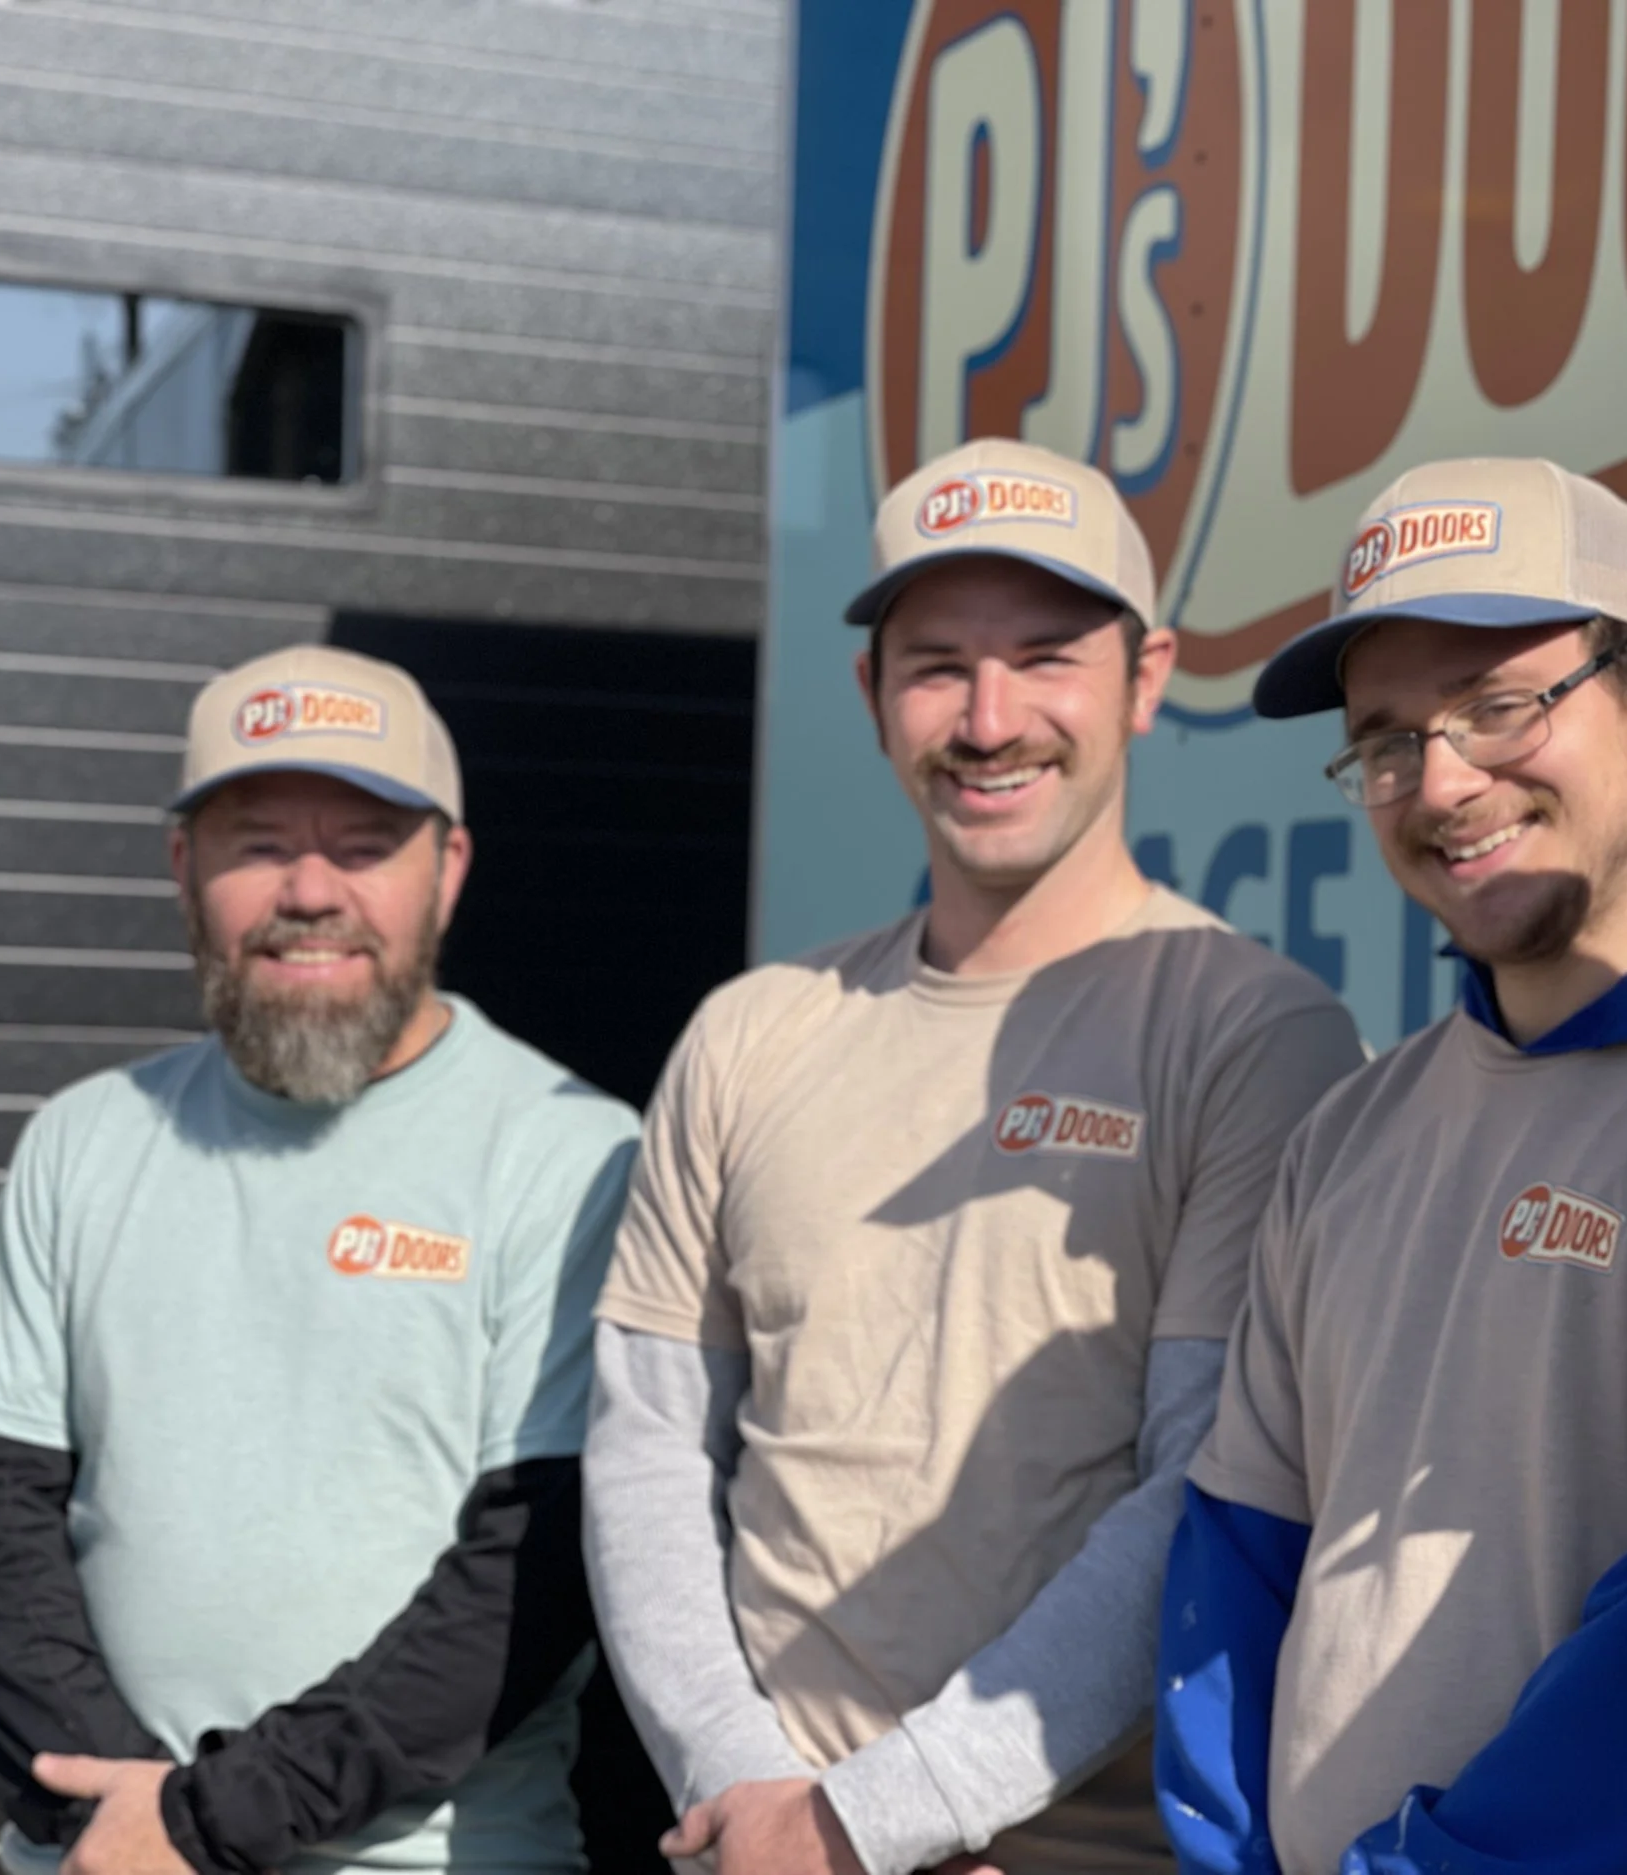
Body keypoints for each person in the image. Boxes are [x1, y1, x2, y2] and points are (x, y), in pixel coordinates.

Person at [583, 438, 1364, 1875]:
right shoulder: (751, 1030)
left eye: (1046, 657)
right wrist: (754, 1788)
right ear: (873, 693)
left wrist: (880, 1812)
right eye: (936, 662)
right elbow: (643, 1448)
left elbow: (1204, 1482)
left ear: (1146, 679)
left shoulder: (1255, 1034)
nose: (989, 717)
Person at [1154, 458, 1627, 1875]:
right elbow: (1242, 1552)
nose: (1441, 782)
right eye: (1387, 736)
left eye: (1502, 704)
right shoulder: (1354, 1129)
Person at [0, 645, 639, 1875]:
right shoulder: (83, 1140)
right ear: (183, 868)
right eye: (256, 842)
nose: (310, 891)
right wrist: (118, 1822)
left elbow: (534, 1576)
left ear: (447, 871)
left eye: (364, 845)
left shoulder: (571, 1151)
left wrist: (216, 1821)